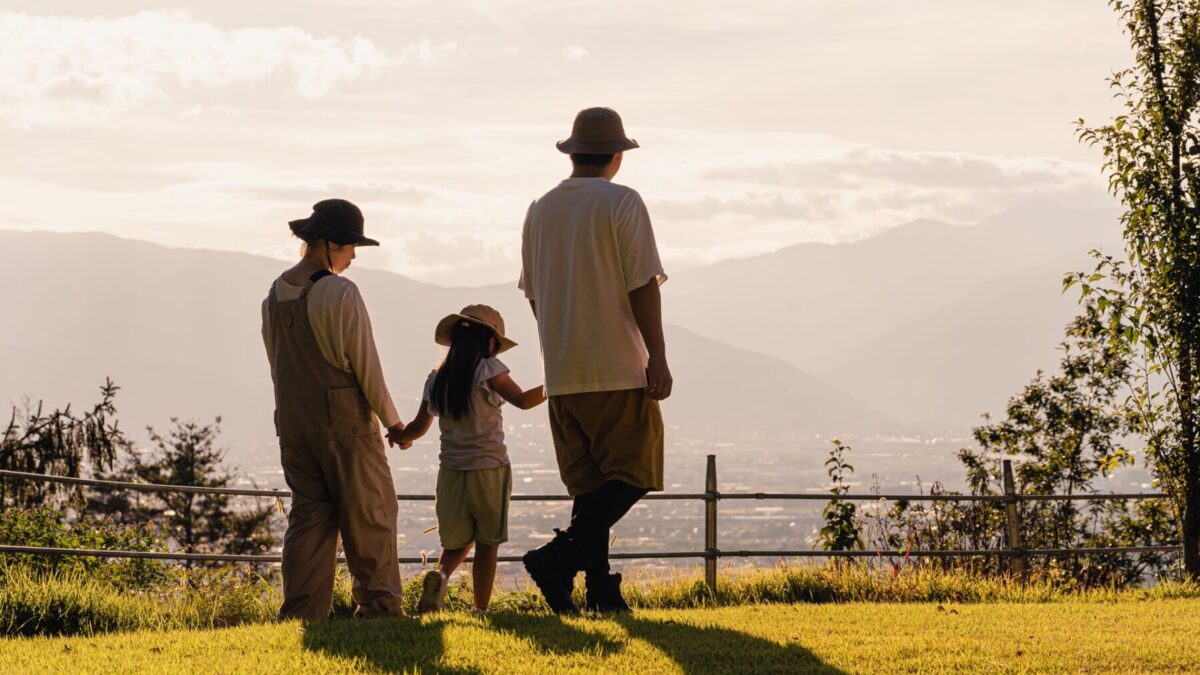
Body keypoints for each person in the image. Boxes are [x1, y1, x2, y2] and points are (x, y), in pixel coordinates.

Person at [518, 107, 672, 614]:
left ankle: (599, 590)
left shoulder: (539, 209)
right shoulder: (622, 202)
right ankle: (559, 559)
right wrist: (658, 356)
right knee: (635, 472)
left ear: (573, 152)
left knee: (590, 487)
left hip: (562, 372)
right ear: (617, 156)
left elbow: (535, 296)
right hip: (615, 367)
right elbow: (643, 284)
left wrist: (555, 345)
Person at [261, 198, 408, 620]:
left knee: (309, 520)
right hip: (344, 424)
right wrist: (394, 423)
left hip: (294, 425)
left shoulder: (273, 296)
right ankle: (379, 609)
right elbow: (366, 367)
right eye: (348, 246)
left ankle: (302, 613)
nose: (353, 255)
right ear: (326, 244)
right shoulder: (339, 292)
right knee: (371, 514)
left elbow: (277, 364)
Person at [392, 305, 546, 614]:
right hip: (489, 469)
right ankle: (480, 607)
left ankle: (441, 575)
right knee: (488, 543)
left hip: (451, 473)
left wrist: (400, 436)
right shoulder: (490, 370)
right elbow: (525, 401)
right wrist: (559, 382)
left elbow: (418, 427)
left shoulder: (436, 379)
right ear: (488, 341)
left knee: (456, 543)